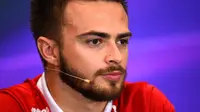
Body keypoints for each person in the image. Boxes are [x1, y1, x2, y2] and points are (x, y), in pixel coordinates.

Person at [0, 0, 175, 112]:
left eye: (122, 41)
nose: (116, 57)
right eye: (95, 42)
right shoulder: (8, 107)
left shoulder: (147, 104)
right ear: (49, 51)